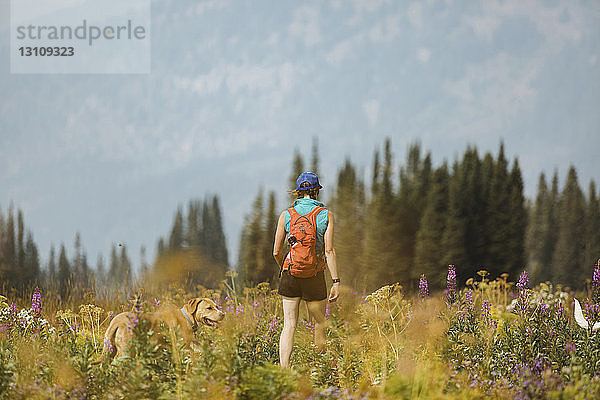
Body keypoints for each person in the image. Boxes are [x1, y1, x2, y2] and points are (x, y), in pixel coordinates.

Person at [272, 171, 340, 368]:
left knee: (289, 325)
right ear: (317, 191)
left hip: (290, 273)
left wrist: (285, 268)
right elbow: (329, 250)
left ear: (298, 192)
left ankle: (284, 369)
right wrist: (336, 281)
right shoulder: (326, 215)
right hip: (315, 275)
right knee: (319, 323)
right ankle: (318, 368)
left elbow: (276, 251)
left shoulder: (286, 215)